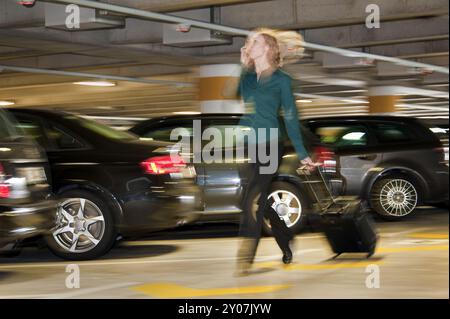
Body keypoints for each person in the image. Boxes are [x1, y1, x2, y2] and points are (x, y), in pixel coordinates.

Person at [234, 28, 317, 276]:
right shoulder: (250, 77)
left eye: (254, 42)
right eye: (249, 42)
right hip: (249, 143)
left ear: (268, 48)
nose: (250, 45)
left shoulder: (282, 80)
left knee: (251, 199)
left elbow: (291, 118)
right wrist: (242, 66)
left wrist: (302, 152)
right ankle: (287, 238)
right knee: (256, 198)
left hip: (271, 144)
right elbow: (235, 94)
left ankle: (246, 257)